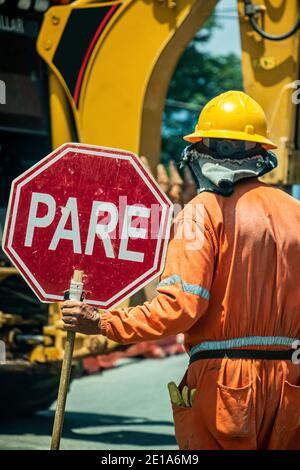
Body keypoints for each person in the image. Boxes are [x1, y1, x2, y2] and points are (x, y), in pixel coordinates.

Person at [62, 91, 300, 450]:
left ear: (203, 150)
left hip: (225, 384)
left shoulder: (203, 211)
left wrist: (103, 322)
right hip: (291, 383)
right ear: (260, 153)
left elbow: (179, 309)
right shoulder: (295, 212)